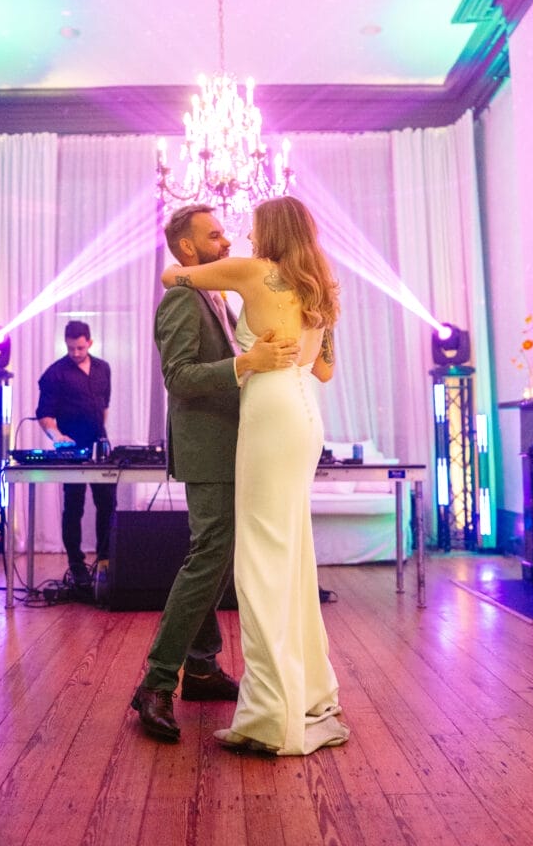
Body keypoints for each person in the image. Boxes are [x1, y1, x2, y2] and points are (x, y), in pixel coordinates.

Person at [161, 195, 350, 755]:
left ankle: (271, 716)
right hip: (305, 414)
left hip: (270, 414)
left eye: (252, 227)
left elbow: (173, 275)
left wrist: (250, 353)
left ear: (271, 231)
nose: (239, 238)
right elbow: (324, 369)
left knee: (262, 563)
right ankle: (309, 695)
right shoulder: (320, 287)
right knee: (293, 558)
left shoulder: (253, 271)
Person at [131, 204, 300, 743]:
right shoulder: (182, 298)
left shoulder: (217, 297)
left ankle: (202, 669)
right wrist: (245, 365)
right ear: (187, 248)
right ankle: (156, 681)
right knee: (210, 557)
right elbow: (179, 377)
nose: (227, 242)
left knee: (214, 557)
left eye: (226, 233)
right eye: (215, 235)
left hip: (234, 448)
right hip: (208, 451)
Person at [36, 320, 116, 586]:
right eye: (71, 348)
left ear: (89, 343)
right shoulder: (54, 373)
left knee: (107, 503)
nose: (75, 353)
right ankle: (76, 566)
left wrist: (100, 433)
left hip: (100, 446)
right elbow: (45, 416)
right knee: (74, 505)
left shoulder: (103, 368)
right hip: (72, 450)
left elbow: (104, 406)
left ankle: (105, 561)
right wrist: (57, 437)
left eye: (80, 348)